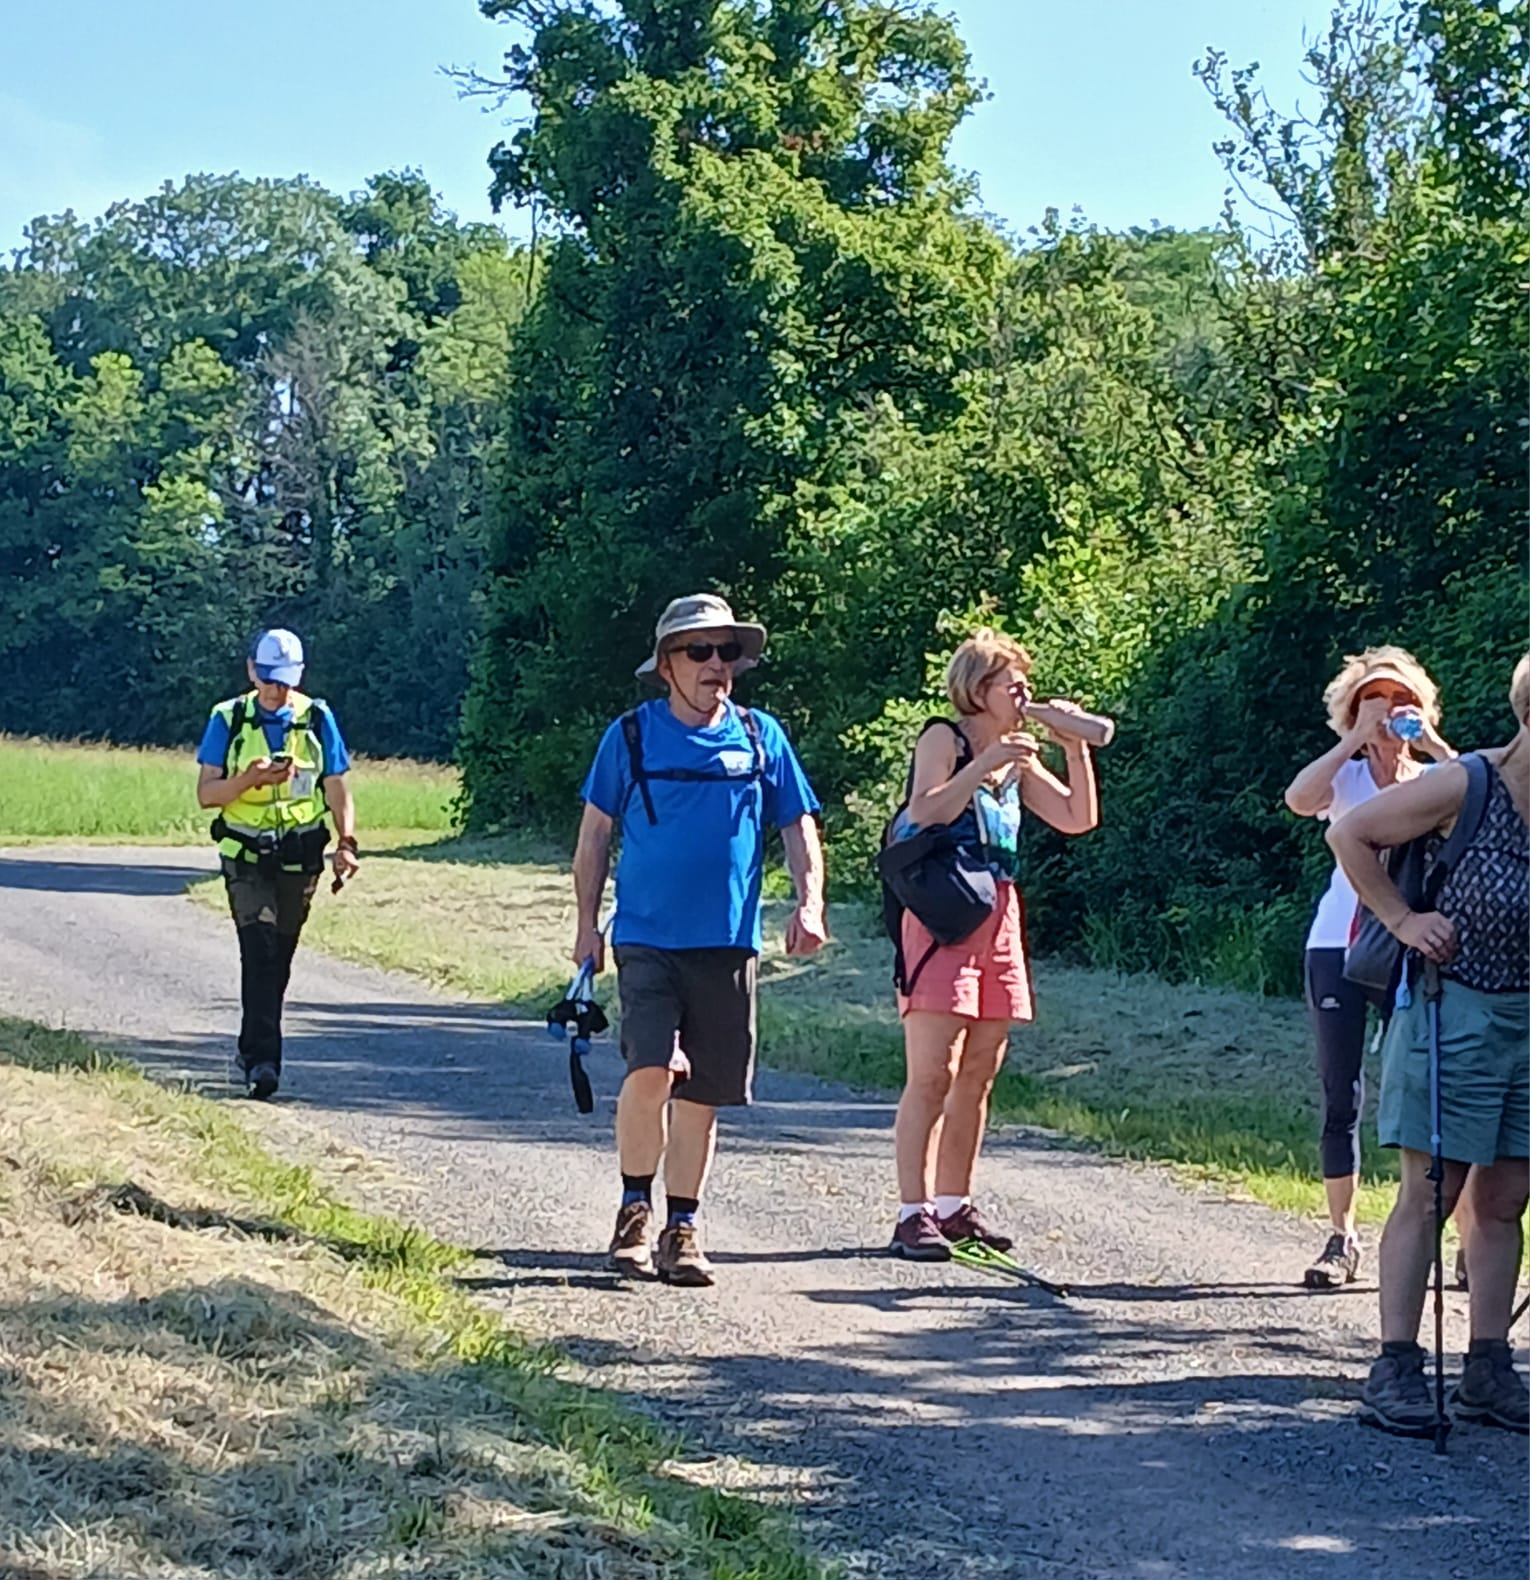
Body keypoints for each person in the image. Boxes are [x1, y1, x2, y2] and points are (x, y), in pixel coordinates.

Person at [572, 594, 827, 1287]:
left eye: (727, 651)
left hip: (728, 942)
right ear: (666, 665)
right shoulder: (630, 736)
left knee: (703, 1093)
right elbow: (595, 836)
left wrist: (810, 903)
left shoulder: (760, 736)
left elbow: (798, 825)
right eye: (700, 651)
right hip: (647, 938)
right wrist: (585, 927)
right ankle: (634, 1209)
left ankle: (681, 1227)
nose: (718, 664)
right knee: (650, 1070)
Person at [1329, 653, 1529, 1436]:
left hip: (1526, 1023)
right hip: (1452, 1008)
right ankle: (1396, 1366)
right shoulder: (1468, 784)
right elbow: (1351, 833)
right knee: (1432, 1191)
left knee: (1506, 1197)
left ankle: (1488, 1368)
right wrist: (1403, 919)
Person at [888, 628, 1099, 1260]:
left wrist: (1073, 748)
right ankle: (912, 1212)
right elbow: (925, 812)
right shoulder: (944, 739)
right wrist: (983, 765)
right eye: (1013, 685)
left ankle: (954, 1204)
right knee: (934, 1072)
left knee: (979, 1070)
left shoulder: (1020, 759)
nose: (1024, 695)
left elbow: (1077, 818)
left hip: (999, 911)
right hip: (945, 913)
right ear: (978, 689)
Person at [1283, 646, 1456, 1288]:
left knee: (1437, 1084)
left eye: (1401, 700)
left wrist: (1430, 743)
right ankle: (1342, 1237)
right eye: (1374, 702)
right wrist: (1355, 738)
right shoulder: (1347, 777)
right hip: (1340, 942)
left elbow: (1480, 807)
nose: (1388, 712)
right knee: (1342, 1092)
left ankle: (1455, 1237)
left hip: (1414, 942)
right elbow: (1299, 799)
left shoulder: (1435, 779)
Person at [195, 629, 360, 1100]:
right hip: (245, 857)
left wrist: (346, 843)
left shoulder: (317, 718)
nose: (275, 689)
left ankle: (251, 1048)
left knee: (279, 959)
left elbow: (336, 786)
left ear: (299, 676)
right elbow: (207, 794)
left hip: (300, 856)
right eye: (267, 678)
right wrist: (249, 779)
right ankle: (264, 1064)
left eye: (284, 680)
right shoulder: (228, 718)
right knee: (259, 948)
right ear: (251, 671)